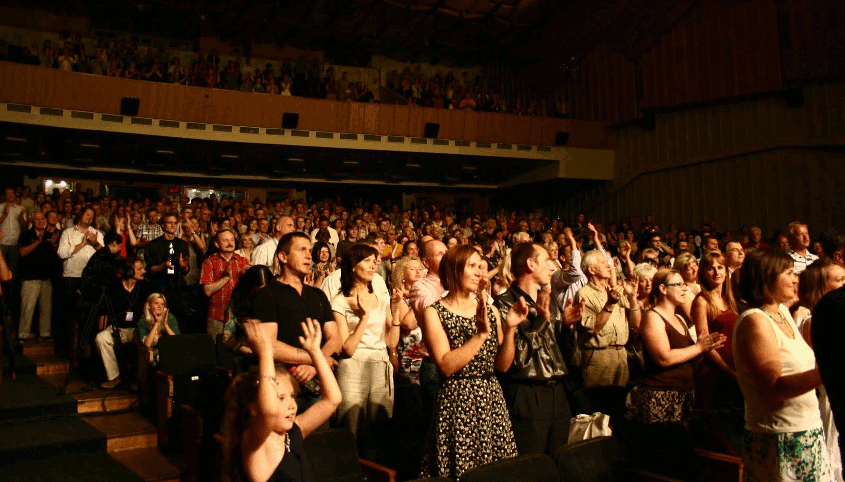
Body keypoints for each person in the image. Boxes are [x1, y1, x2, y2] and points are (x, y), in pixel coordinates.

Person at [418, 245, 528, 478]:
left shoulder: (491, 311)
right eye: (473, 266)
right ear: (454, 270)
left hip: (491, 398)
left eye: (481, 266)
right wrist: (479, 336)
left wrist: (509, 330)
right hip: (457, 401)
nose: (480, 272)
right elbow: (446, 366)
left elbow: (503, 366)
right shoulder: (434, 312)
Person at [734, 249, 831, 480]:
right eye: (788, 273)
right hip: (780, 438)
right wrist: (830, 370)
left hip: (806, 430)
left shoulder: (783, 312)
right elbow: (774, 388)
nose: (795, 278)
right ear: (767, 278)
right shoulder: (755, 321)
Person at [631, 268, 725, 479]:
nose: (685, 288)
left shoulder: (681, 319)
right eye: (679, 284)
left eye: (685, 284)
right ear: (663, 289)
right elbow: (663, 357)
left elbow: (690, 355)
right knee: (663, 463)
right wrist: (700, 348)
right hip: (660, 397)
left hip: (683, 396)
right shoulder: (652, 317)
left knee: (682, 461)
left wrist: (709, 347)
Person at [222, 318, 341, 482]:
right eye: (280, 398)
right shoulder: (254, 441)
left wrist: (315, 353)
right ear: (254, 408)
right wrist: (266, 354)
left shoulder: (294, 432)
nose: (292, 405)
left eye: (292, 396)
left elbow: (332, 400)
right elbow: (269, 413)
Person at [495, 242, 583, 457]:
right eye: (546, 260)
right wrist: (542, 321)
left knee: (558, 460)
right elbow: (518, 359)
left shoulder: (548, 300)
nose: (551, 266)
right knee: (531, 464)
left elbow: (561, 354)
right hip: (528, 394)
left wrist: (566, 327)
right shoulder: (505, 304)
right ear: (530, 264)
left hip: (557, 391)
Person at [254, 232, 340, 413]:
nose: (309, 255)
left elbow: (335, 338)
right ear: (283, 256)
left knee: (318, 440)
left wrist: (314, 367)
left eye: (309, 250)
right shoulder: (267, 295)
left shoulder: (317, 295)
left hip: (317, 384)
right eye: (302, 250)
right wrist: (318, 360)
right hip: (281, 386)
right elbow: (270, 345)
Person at [331, 244, 400, 454]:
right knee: (350, 429)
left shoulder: (381, 297)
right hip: (353, 367)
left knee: (379, 429)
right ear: (353, 266)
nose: (374, 266)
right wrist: (363, 318)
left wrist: (395, 311)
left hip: (380, 364)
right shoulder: (340, 301)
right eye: (368, 261)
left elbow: (391, 342)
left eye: (375, 261)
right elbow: (348, 348)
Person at [794, 261, 845, 481]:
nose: (844, 284)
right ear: (820, 287)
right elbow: (820, 365)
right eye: (839, 281)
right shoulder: (813, 319)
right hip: (832, 394)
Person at [95, 258, 146, 389]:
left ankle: (138, 380)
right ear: (129, 270)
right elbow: (104, 311)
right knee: (101, 338)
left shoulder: (144, 287)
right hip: (117, 328)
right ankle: (114, 377)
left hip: (135, 329)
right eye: (139, 269)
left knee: (145, 341)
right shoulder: (114, 288)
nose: (143, 271)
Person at [17, 210, 60, 342]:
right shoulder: (26, 235)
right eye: (37, 219)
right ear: (32, 221)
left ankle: (45, 334)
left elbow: (53, 257)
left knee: (46, 308)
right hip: (31, 278)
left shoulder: (50, 235)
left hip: (46, 278)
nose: (41, 221)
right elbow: (22, 252)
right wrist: (38, 242)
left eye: (42, 219)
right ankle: (22, 335)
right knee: (27, 307)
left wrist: (52, 245)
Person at [201, 228, 250, 340]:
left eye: (232, 240)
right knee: (216, 351)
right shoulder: (209, 262)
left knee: (239, 352)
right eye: (225, 240)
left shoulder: (243, 261)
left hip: (239, 316)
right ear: (217, 244)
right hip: (217, 316)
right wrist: (227, 277)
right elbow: (207, 291)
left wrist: (245, 277)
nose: (230, 243)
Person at [391, 255, 426, 384]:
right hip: (408, 355)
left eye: (420, 269)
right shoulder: (399, 296)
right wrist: (420, 297)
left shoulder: (426, 293)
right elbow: (408, 324)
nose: (418, 272)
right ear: (402, 273)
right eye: (412, 269)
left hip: (426, 354)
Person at [137, 293, 180, 365]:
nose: (159, 306)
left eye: (162, 304)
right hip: (151, 357)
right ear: (148, 306)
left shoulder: (170, 317)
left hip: (171, 353)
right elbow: (147, 344)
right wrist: (156, 324)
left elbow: (177, 340)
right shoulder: (142, 322)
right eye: (156, 303)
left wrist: (166, 325)